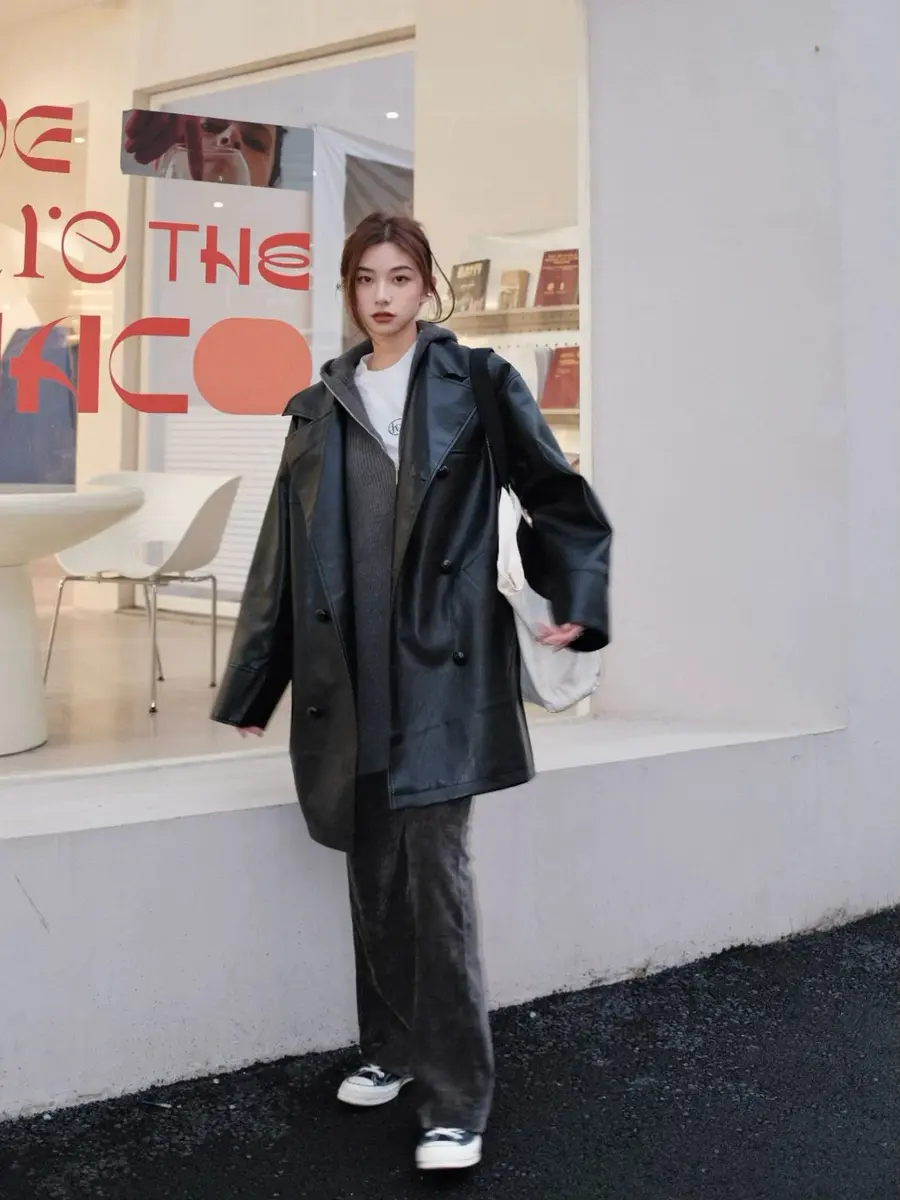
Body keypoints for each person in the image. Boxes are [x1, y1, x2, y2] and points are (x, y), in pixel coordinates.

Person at [210, 211, 612, 1172]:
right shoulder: (318, 406)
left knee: (437, 881)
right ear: (349, 291)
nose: (382, 296)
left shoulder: (479, 381)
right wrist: (255, 683)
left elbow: (554, 491)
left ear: (429, 286)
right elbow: (282, 554)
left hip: (442, 664)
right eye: (366, 279)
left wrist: (576, 599)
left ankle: (455, 1102)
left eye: (399, 277)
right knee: (374, 872)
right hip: (347, 673)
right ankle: (390, 1050)